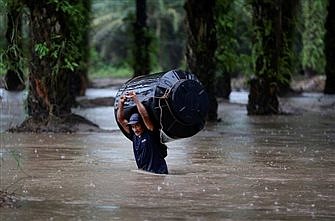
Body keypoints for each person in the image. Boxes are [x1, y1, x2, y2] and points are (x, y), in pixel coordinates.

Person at [117, 91, 168, 174]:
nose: (135, 129)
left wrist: (136, 100)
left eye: (137, 125)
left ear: (143, 125)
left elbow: (145, 116)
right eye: (133, 126)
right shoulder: (134, 135)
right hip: (145, 173)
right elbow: (121, 120)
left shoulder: (150, 132)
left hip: (159, 173)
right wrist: (121, 104)